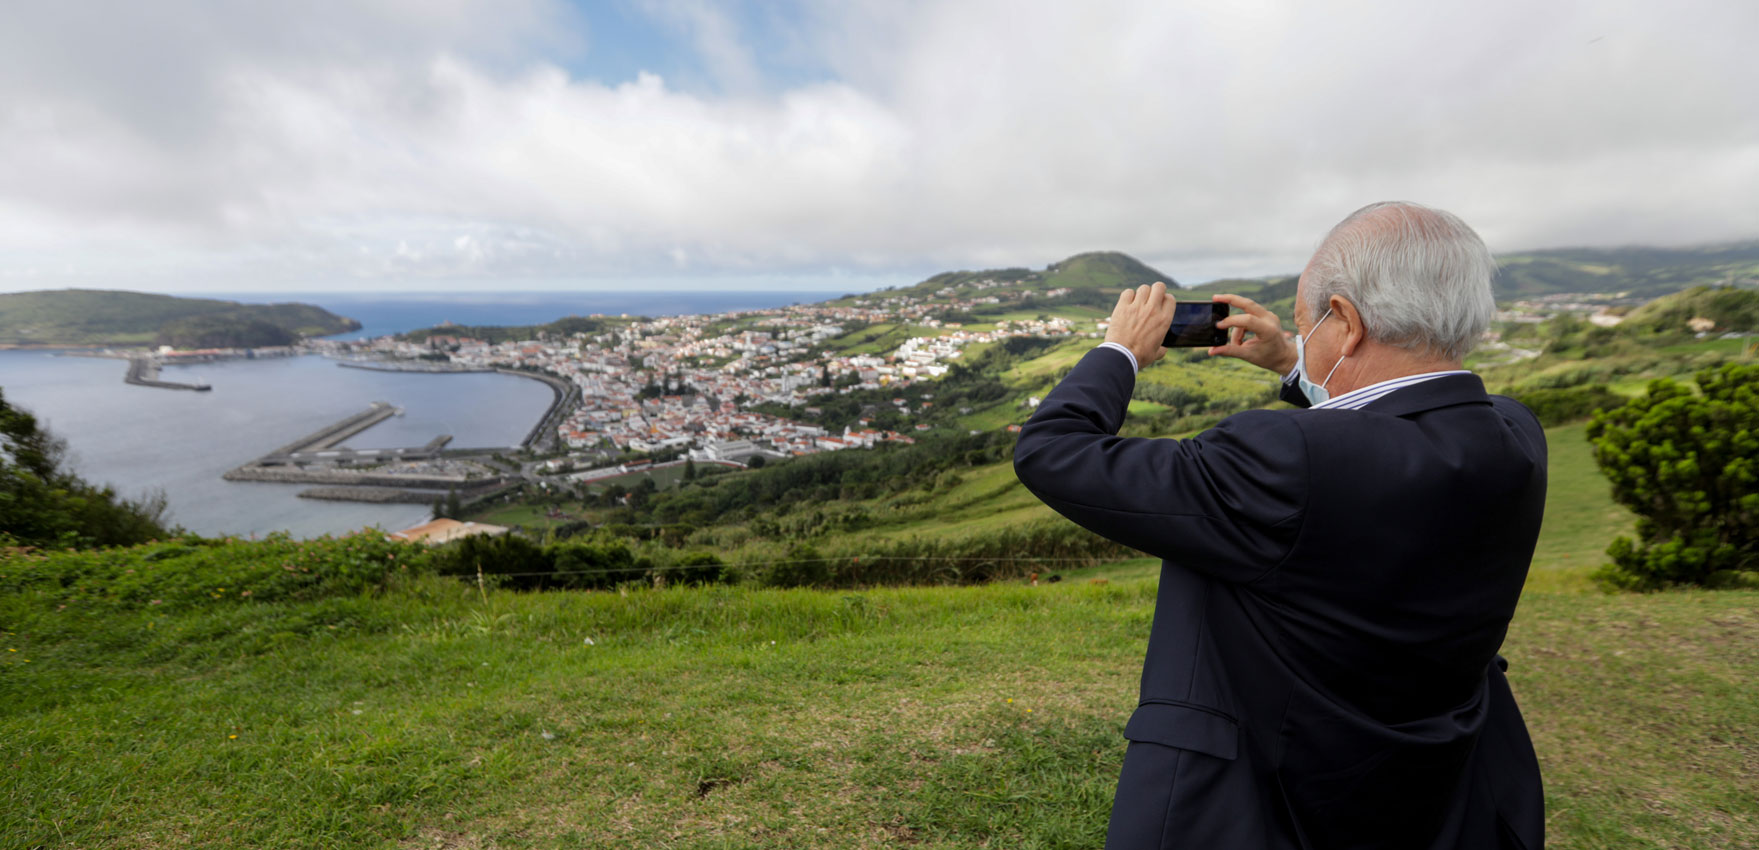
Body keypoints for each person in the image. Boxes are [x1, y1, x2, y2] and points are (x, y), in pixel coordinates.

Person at [1014, 202, 1546, 849]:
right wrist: (1291, 360)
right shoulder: (1514, 435)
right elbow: (1385, 425)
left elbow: (1053, 452)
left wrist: (1118, 351)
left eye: (1309, 324)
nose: (1306, 337)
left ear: (1345, 322)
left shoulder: (1285, 461)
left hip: (1272, 796)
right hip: (1431, 785)